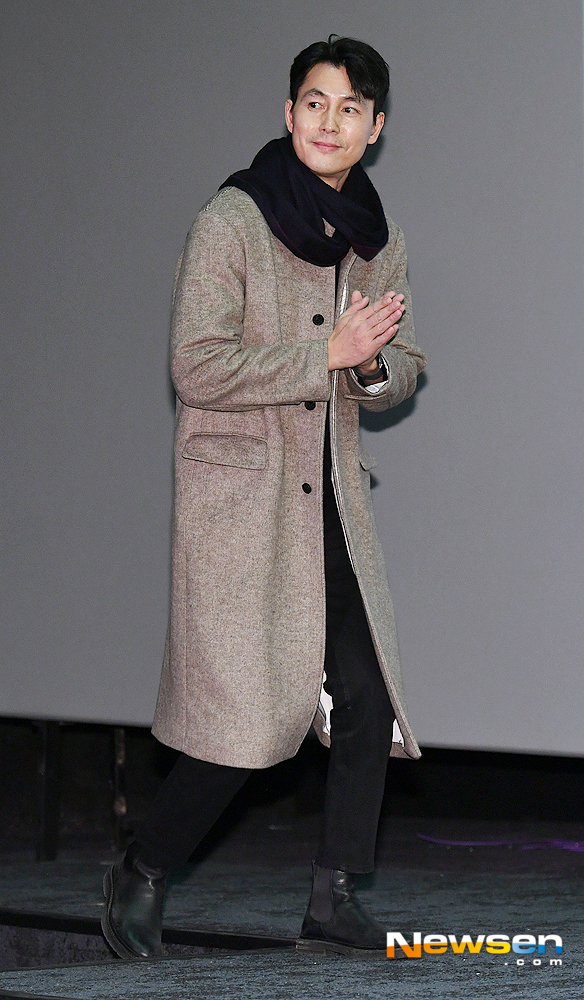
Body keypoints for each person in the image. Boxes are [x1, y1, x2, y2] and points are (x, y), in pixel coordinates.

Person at [101, 34, 427, 960]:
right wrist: (323, 354)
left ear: (375, 130)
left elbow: (400, 367)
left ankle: (332, 897)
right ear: (289, 116)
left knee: (364, 695)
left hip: (331, 499)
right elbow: (194, 365)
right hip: (244, 506)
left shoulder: (380, 239)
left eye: (352, 109)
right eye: (315, 103)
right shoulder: (232, 221)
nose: (332, 122)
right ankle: (144, 867)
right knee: (246, 727)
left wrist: (368, 370)